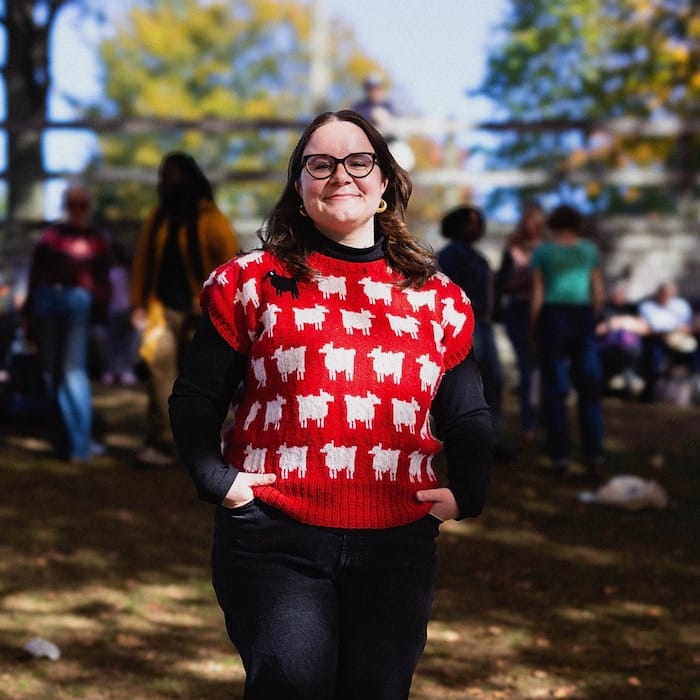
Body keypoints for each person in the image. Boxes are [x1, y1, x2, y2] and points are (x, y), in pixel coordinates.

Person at [169, 110, 494, 699]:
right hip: (275, 537)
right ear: (298, 185)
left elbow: (466, 412)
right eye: (320, 164)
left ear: (386, 182)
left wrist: (467, 492)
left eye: (358, 161)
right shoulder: (248, 282)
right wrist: (222, 483)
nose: (340, 175)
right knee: (291, 685)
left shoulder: (438, 298)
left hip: (397, 542)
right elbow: (195, 397)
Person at [130, 152, 238, 466]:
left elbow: (231, 264)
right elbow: (143, 263)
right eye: (161, 175)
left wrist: (212, 297)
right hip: (161, 308)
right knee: (159, 373)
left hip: (202, 312)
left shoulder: (211, 219)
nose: (163, 182)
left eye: (169, 175)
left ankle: (204, 445)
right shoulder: (158, 217)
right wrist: (137, 303)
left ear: (187, 178)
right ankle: (164, 443)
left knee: (201, 379)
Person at [22, 183, 112, 460]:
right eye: (72, 204)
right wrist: (28, 314)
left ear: (88, 208)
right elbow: (36, 274)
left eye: (81, 204)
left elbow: (102, 280)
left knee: (72, 373)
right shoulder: (51, 237)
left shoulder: (97, 240)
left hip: (77, 304)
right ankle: (63, 441)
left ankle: (79, 445)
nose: (76, 210)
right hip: (46, 301)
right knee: (52, 374)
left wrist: (98, 311)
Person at [531, 204, 605, 477]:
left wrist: (534, 325)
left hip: (553, 317)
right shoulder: (589, 250)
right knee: (590, 388)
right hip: (582, 316)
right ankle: (594, 455)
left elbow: (538, 292)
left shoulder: (544, 251)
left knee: (555, 389)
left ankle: (560, 457)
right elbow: (597, 291)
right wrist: (591, 318)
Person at [438, 205, 510, 459]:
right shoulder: (450, 256)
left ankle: (489, 440)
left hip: (484, 324)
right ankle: (470, 444)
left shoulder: (476, 257)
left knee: (492, 382)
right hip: (467, 327)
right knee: (470, 386)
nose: (478, 227)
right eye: (472, 222)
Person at [495, 201, 546, 441]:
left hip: (545, 312)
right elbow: (501, 284)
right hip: (518, 310)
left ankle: (545, 421)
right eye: (525, 221)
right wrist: (527, 284)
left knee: (544, 369)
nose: (528, 226)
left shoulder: (548, 249)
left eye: (532, 220)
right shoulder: (512, 248)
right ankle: (528, 424)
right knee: (526, 368)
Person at [638, 281, 699, 399]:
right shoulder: (647, 306)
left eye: (670, 293)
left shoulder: (681, 305)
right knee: (654, 358)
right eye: (664, 293)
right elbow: (647, 327)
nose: (667, 296)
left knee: (694, 356)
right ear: (658, 293)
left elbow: (689, 326)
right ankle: (649, 391)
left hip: (680, 340)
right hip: (656, 340)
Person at [595, 282, 649, 397]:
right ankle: (625, 378)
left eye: (622, 294)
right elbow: (596, 330)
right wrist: (610, 325)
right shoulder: (603, 309)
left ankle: (625, 378)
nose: (619, 296)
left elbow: (645, 329)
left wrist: (624, 323)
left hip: (629, 347)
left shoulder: (632, 309)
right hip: (607, 346)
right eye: (617, 294)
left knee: (633, 349)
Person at [99, 242, 140, 386]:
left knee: (115, 344)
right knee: (124, 344)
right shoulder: (128, 273)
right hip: (123, 311)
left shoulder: (112, 273)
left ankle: (114, 371)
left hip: (116, 311)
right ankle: (123, 371)